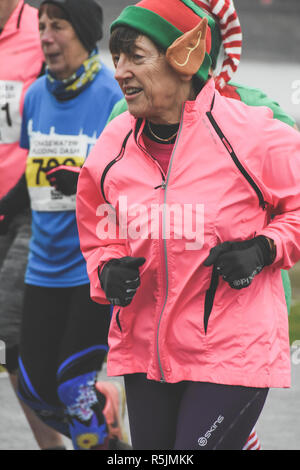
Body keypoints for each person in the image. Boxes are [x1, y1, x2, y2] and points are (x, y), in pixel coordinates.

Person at [76, 0, 300, 450]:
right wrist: (106, 268)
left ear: (184, 59)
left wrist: (263, 249)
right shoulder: (112, 145)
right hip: (146, 353)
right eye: (116, 57)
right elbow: (99, 225)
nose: (119, 71)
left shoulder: (252, 134)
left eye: (136, 56)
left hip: (233, 352)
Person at [0, 0, 126, 451]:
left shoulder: (114, 96)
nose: (47, 36)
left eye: (58, 26)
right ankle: (103, 415)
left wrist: (88, 183)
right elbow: (36, 175)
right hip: (43, 265)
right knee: (34, 388)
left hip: (89, 266)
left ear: (85, 32)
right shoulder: (35, 96)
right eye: (41, 26)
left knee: (73, 388)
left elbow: (134, 181)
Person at [0, 0, 66, 450]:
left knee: (14, 329)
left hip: (29, 206)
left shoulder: (39, 32)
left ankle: (86, 425)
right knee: (12, 344)